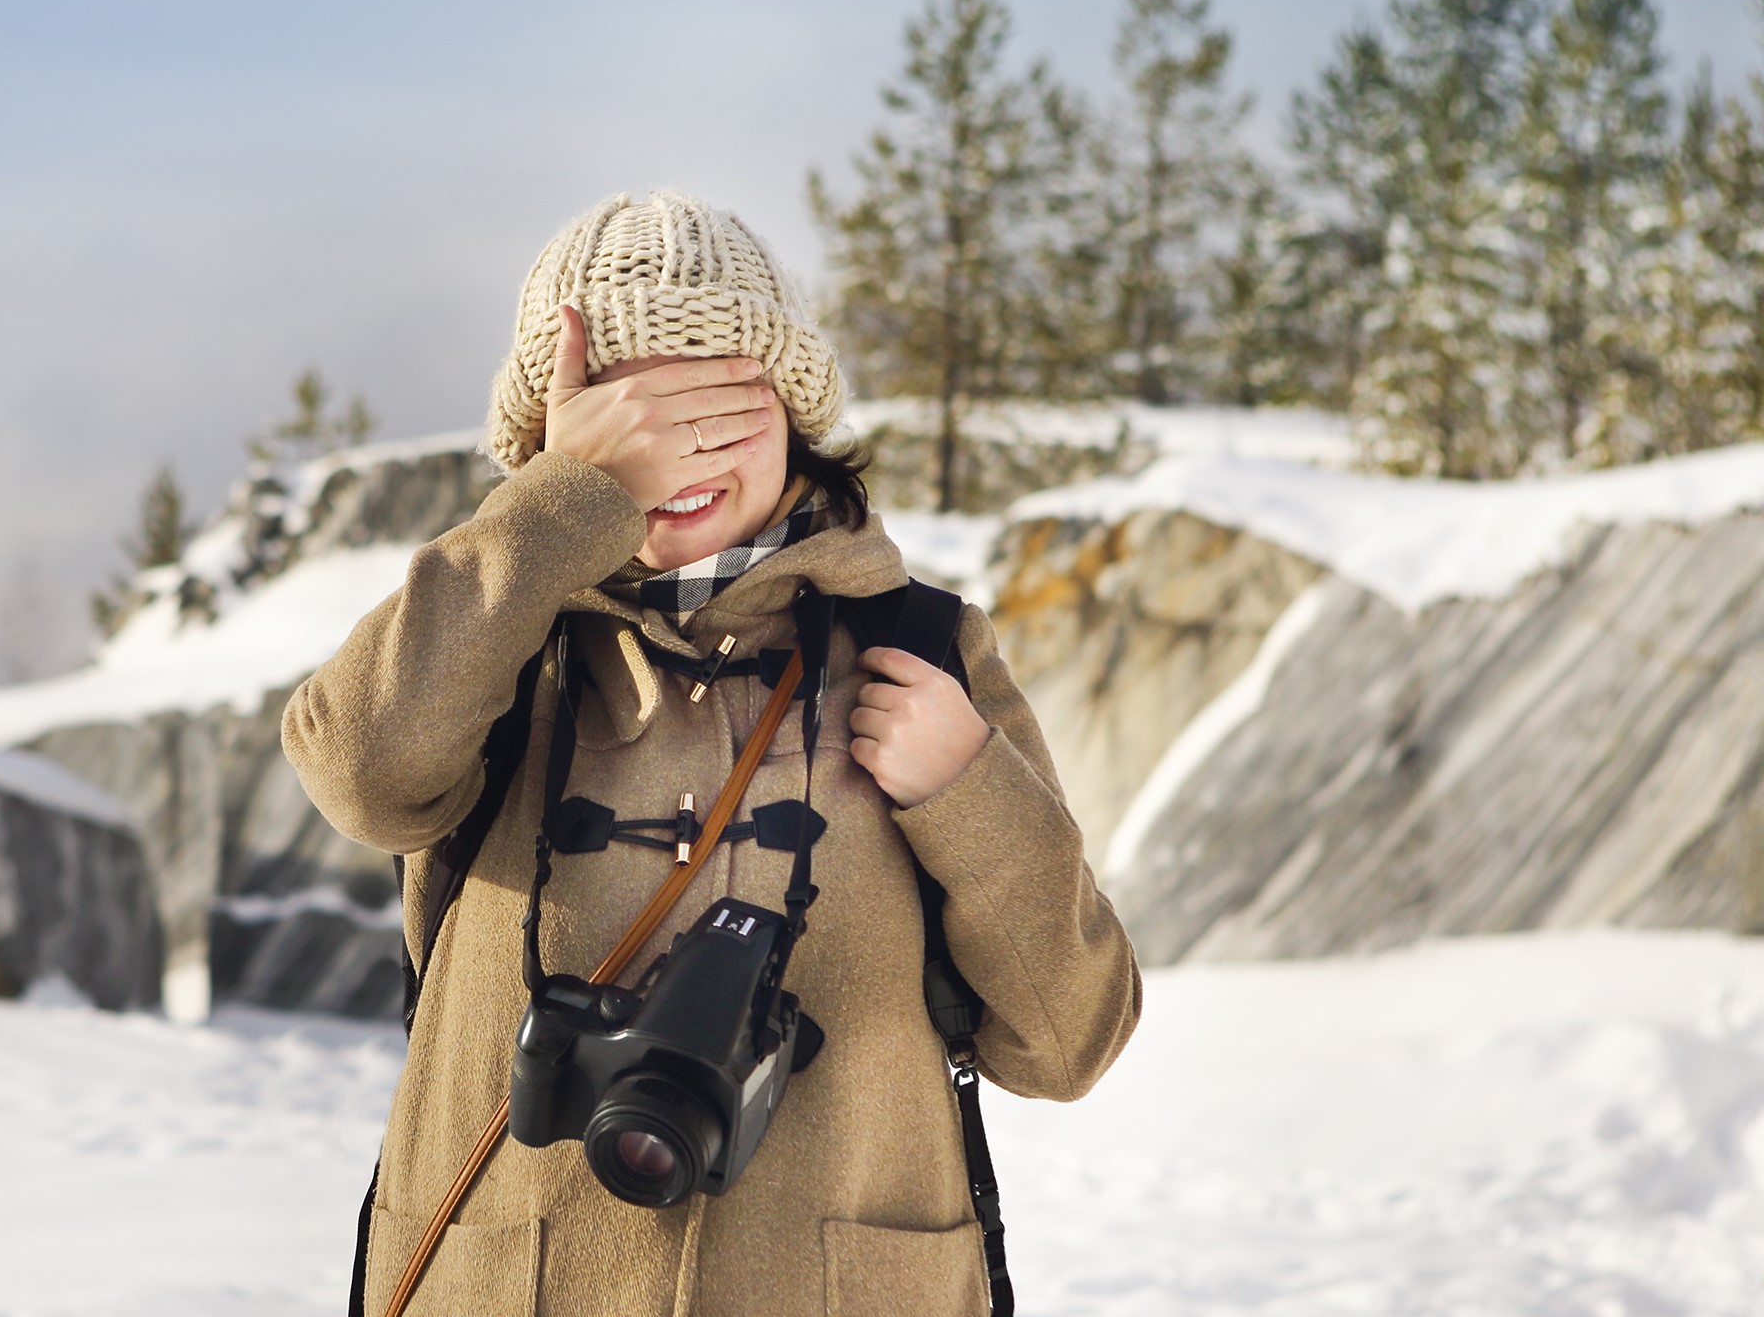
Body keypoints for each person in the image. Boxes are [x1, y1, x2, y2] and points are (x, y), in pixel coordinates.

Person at [282, 190, 1140, 1316]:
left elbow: (1068, 1042)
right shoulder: (493, 644)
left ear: (789, 410)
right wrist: (559, 512)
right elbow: (360, 774)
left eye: (715, 404)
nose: (674, 452)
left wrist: (967, 790)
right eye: (625, 417)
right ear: (552, 439)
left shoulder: (923, 647)